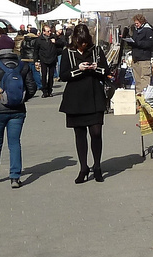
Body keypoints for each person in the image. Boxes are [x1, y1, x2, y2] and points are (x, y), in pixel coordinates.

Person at [0, 35, 39, 188]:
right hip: (18, 110)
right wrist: (22, 99)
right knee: (14, 143)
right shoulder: (23, 65)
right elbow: (32, 88)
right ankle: (15, 177)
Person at [59, 23, 111, 183]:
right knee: (79, 134)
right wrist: (78, 69)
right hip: (75, 99)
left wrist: (96, 68)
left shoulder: (96, 50)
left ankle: (97, 166)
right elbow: (64, 75)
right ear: (75, 40)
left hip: (94, 96)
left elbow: (106, 72)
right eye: (81, 43)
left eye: (85, 43)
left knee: (96, 133)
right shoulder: (68, 52)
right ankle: (83, 167)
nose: (83, 46)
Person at [36, 22, 62, 97]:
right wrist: (36, 60)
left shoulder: (53, 37)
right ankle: (44, 91)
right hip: (43, 59)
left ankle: (49, 90)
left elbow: (62, 43)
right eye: (48, 31)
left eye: (50, 31)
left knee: (51, 76)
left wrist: (55, 42)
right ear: (43, 32)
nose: (49, 32)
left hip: (52, 59)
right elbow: (36, 50)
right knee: (44, 75)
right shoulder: (39, 40)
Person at [129, 14, 153, 89]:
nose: (136, 25)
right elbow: (134, 41)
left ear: (142, 22)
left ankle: (144, 97)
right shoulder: (136, 30)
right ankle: (138, 97)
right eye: (135, 23)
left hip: (144, 59)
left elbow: (149, 44)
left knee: (144, 80)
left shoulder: (148, 30)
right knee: (137, 81)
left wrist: (137, 43)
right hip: (136, 59)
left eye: (137, 23)